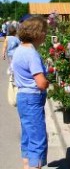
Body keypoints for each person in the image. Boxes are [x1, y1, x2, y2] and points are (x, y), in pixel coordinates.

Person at [11, 16, 49, 169]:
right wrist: (47, 81)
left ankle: (27, 166)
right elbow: (40, 83)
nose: (46, 35)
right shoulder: (32, 53)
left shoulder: (19, 49)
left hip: (22, 97)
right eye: (45, 32)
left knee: (28, 135)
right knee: (38, 139)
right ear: (38, 34)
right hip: (32, 98)